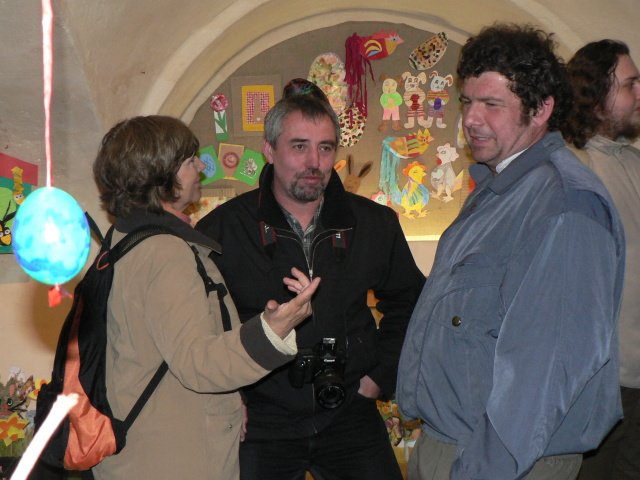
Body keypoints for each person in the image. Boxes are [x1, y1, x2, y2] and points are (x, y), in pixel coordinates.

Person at [396, 24, 626, 480]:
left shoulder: (564, 205)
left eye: (492, 104)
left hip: (504, 463)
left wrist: (481, 469)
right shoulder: (497, 190)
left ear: (541, 109)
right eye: (467, 101)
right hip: (450, 444)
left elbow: (546, 369)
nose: (471, 119)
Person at [195, 80, 425, 480]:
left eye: (326, 148)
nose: (314, 162)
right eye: (299, 146)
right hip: (261, 418)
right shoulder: (222, 230)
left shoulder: (374, 224)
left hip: (350, 410)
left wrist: (379, 376)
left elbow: (411, 302)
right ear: (270, 150)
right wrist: (230, 396)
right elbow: (203, 328)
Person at [90, 115, 320, 479]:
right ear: (160, 175)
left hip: (146, 444)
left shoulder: (124, 239)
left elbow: (159, 348)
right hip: (175, 457)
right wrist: (272, 331)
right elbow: (197, 362)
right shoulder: (165, 252)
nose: (200, 167)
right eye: (189, 161)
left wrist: (232, 399)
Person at [563, 39, 640, 480]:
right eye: (629, 84)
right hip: (602, 381)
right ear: (595, 97)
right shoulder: (573, 167)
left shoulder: (634, 161)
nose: (638, 93)